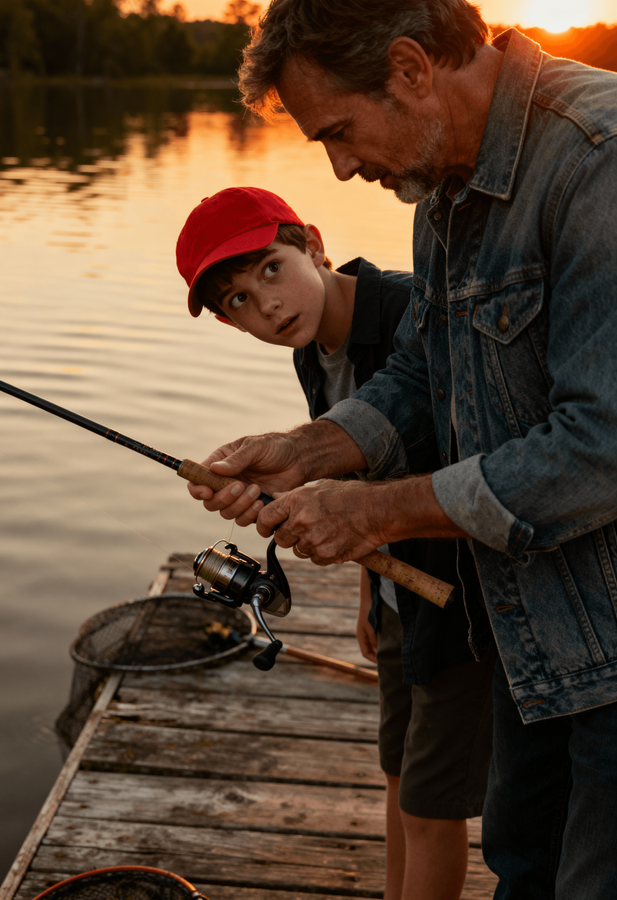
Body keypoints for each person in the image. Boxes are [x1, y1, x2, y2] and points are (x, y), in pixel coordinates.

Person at [185, 2, 617, 898]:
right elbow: (427, 368)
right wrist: (308, 448)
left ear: (412, 68)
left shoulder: (596, 161)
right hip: (535, 637)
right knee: (521, 869)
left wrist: (375, 510)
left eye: (337, 132)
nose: (340, 168)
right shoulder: (444, 190)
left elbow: (599, 448)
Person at [176, 185, 494, 900]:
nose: (267, 306)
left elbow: (480, 470)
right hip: (399, 600)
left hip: (466, 607)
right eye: (238, 301)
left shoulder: (413, 310)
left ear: (313, 245)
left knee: (431, 806)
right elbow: (354, 480)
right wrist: (367, 596)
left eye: (270, 269)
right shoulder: (312, 351)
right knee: (396, 774)